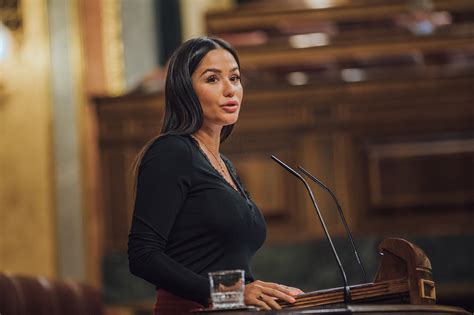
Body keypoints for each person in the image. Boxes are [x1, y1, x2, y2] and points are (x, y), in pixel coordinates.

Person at [128, 36, 302, 314]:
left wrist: (266, 291)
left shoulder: (224, 165)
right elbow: (142, 255)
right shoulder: (171, 152)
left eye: (235, 78)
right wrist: (233, 294)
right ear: (185, 90)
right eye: (212, 79)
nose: (230, 89)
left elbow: (218, 261)